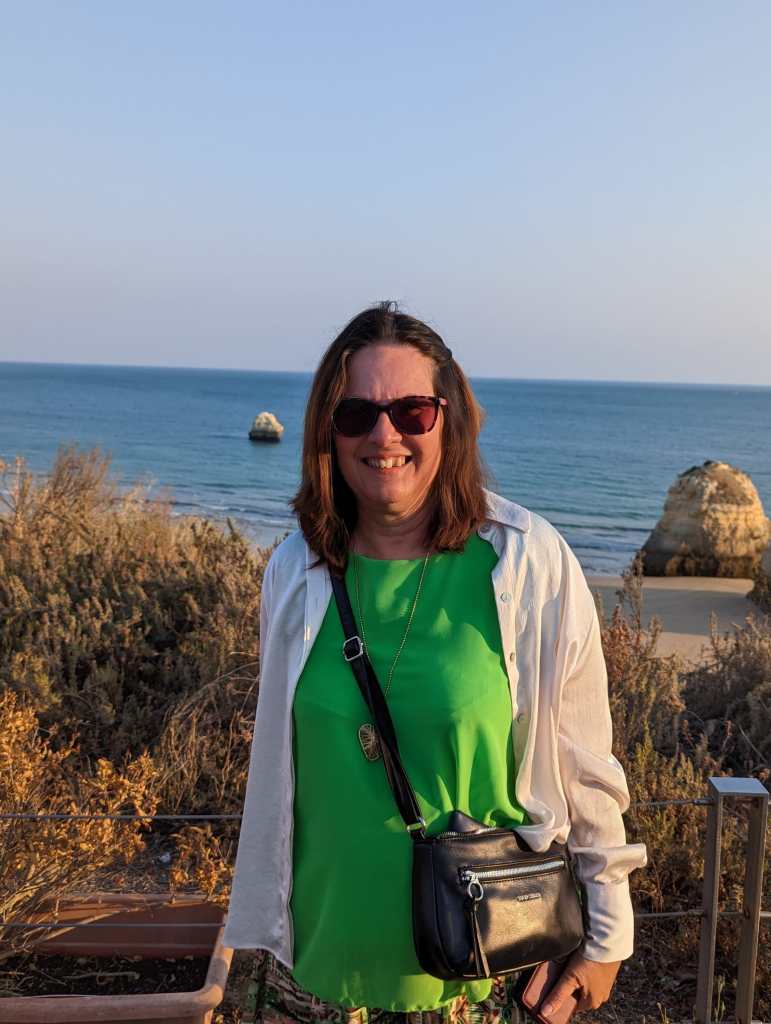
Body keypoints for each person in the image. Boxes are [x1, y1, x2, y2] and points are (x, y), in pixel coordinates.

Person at [223, 302, 647, 1024]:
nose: (383, 435)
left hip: (477, 977)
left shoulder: (526, 563)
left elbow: (585, 764)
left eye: (411, 411)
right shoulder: (295, 572)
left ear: (450, 419)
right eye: (356, 413)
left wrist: (607, 936)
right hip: (308, 976)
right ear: (328, 430)